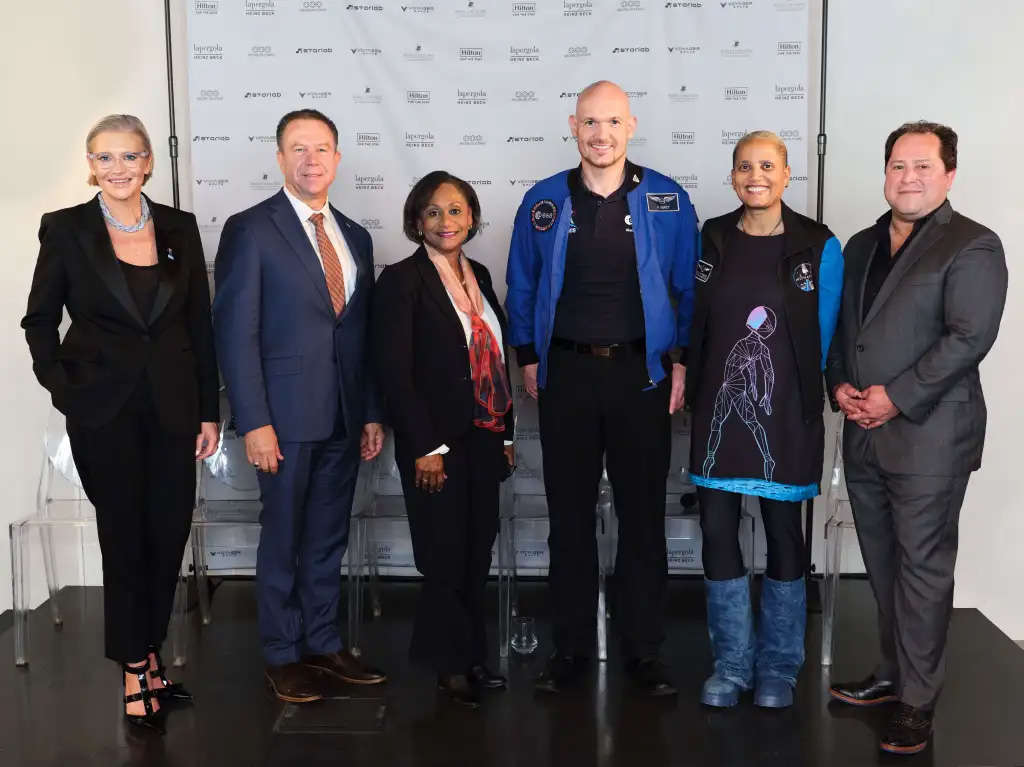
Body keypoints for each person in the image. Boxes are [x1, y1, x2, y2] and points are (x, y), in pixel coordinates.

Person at [21, 114, 220, 731]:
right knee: (124, 537)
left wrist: (209, 409)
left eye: (129, 157)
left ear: (148, 163)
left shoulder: (180, 229)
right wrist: (66, 391)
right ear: (91, 164)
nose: (117, 169)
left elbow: (199, 326)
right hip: (102, 411)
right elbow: (38, 320)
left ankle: (151, 652)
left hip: (173, 409)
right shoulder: (66, 229)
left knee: (166, 536)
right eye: (104, 158)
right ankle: (134, 667)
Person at [505, 81, 696, 696]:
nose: (601, 134)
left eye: (612, 121)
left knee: (642, 519)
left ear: (631, 125)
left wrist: (683, 362)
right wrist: (529, 359)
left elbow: (689, 288)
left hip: (642, 377)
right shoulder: (543, 201)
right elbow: (523, 286)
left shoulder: (666, 199)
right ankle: (571, 651)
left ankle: (644, 652)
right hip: (567, 377)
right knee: (569, 518)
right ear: (573, 125)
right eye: (590, 122)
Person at [825, 121, 1007, 755]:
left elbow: (967, 338)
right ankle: (892, 673)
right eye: (898, 165)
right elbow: (844, 331)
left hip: (930, 436)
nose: (908, 177)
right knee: (883, 564)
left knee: (924, 570)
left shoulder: (974, 245)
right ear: (885, 173)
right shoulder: (858, 246)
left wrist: (895, 397)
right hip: (864, 433)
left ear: (949, 174)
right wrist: (841, 384)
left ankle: (918, 701)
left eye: (923, 166)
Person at [212, 109, 386, 703]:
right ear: (280, 157)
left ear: (337, 158)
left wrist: (367, 410)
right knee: (284, 536)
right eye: (298, 149)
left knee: (326, 538)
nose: (311, 160)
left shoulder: (356, 235)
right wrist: (255, 421)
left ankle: (322, 644)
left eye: (322, 149)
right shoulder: (251, 229)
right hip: (281, 420)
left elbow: (357, 335)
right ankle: (282, 654)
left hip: (342, 414)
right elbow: (235, 333)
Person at [685, 131, 843, 709]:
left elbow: (826, 337)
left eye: (768, 165)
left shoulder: (818, 245)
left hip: (787, 416)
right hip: (717, 406)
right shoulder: (715, 236)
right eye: (746, 166)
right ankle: (731, 665)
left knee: (783, 535)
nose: (757, 175)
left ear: (786, 173)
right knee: (718, 532)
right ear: (732, 175)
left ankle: (779, 666)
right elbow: (697, 316)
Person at [372, 171, 515, 709]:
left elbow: (495, 357)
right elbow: (395, 371)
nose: (445, 221)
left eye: (455, 210)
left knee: (477, 550)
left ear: (471, 217)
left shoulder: (477, 273)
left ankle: (472, 657)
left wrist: (505, 433)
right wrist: (424, 447)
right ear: (415, 221)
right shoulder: (402, 280)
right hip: (437, 443)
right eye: (433, 212)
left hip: (483, 436)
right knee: (444, 552)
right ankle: (448, 666)